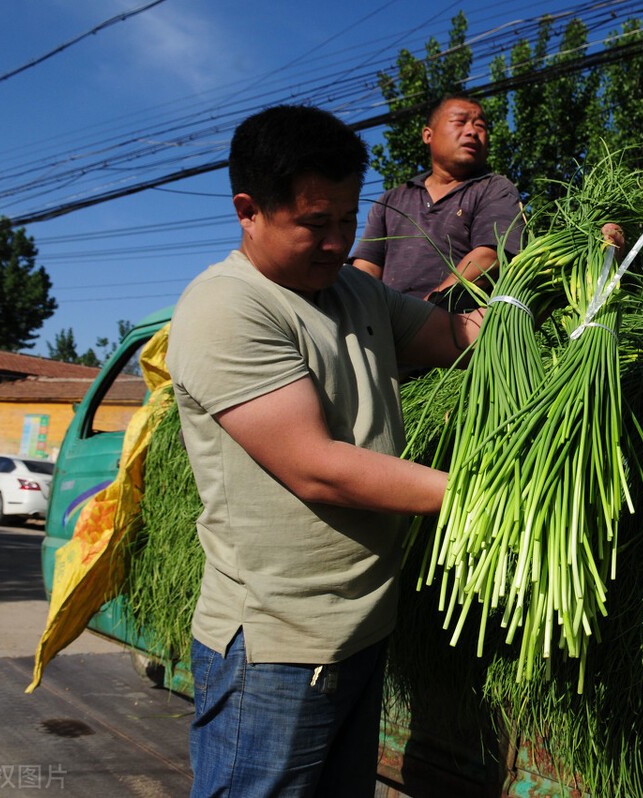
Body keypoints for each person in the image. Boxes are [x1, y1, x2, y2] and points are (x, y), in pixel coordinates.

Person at [165, 104, 488, 797]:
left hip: (361, 629)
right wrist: (485, 497)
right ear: (249, 210)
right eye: (315, 223)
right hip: (278, 647)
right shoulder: (228, 306)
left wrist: (560, 289)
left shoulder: (355, 291)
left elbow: (459, 337)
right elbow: (318, 468)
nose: (338, 241)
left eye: (348, 220)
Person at [349, 94, 525, 311]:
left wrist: (423, 311)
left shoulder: (494, 188)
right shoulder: (392, 198)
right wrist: (368, 315)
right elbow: (367, 266)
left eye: (480, 126)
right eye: (459, 122)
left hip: (460, 326)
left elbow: (490, 257)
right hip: (387, 325)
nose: (472, 132)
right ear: (428, 135)